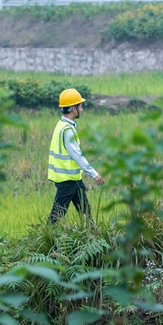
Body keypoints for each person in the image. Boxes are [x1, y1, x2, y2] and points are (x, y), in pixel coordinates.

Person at [48, 89, 105, 224]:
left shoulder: (62, 124)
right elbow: (77, 155)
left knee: (85, 211)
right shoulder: (67, 130)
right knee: (56, 215)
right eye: (80, 106)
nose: (82, 109)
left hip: (73, 178)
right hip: (66, 181)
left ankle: (92, 236)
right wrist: (94, 174)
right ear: (74, 108)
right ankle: (46, 238)